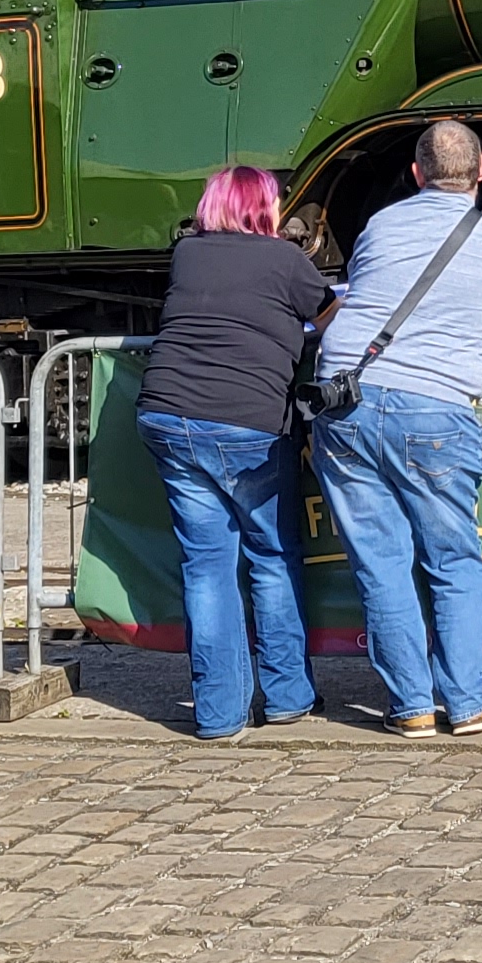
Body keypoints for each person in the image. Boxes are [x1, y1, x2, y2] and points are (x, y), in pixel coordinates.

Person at [306, 119, 482, 738]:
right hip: (437, 404)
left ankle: (411, 708)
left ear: (417, 173)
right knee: (452, 560)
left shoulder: (382, 224)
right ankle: (469, 703)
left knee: (380, 561)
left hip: (347, 396)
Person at [137, 166, 331, 741]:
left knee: (206, 566)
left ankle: (219, 714)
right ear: (264, 208)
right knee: (271, 556)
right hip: (249, 425)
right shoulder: (285, 261)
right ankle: (288, 696)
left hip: (168, 415)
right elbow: (331, 317)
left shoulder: (188, 255)